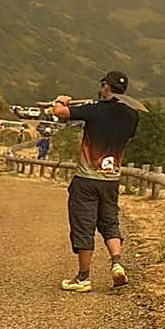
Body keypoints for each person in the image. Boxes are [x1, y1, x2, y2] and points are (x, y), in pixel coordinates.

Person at [49, 71, 140, 293]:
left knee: (84, 226)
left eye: (103, 85)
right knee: (109, 222)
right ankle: (116, 262)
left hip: (87, 179)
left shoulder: (94, 109)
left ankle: (83, 278)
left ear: (106, 86)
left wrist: (60, 100)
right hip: (111, 179)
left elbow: (59, 112)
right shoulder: (132, 116)